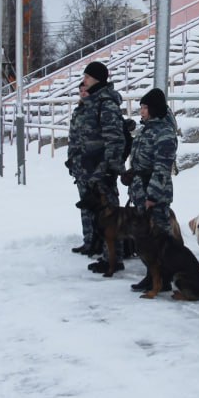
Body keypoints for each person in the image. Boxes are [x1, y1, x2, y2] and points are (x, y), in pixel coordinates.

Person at [125, 88, 178, 293]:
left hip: (155, 193)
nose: (142, 111)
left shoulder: (164, 133)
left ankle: (163, 277)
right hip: (141, 190)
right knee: (147, 238)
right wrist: (132, 174)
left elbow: (162, 168)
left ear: (154, 109)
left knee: (160, 236)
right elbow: (141, 160)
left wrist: (153, 196)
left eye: (145, 107)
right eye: (141, 107)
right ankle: (152, 275)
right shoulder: (147, 129)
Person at [77, 61, 127, 274]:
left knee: (110, 215)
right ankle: (107, 255)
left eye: (87, 77)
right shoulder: (94, 102)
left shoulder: (106, 103)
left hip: (103, 169)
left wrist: (107, 169)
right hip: (92, 167)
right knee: (101, 216)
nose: (84, 81)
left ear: (97, 79)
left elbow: (115, 140)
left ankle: (113, 259)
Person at [66, 82, 101, 256]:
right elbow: (72, 138)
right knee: (84, 205)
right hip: (80, 165)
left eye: (86, 90)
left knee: (98, 206)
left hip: (94, 166)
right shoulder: (78, 111)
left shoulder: (97, 110)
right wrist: (71, 159)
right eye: (80, 91)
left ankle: (99, 243)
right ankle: (88, 240)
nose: (83, 93)